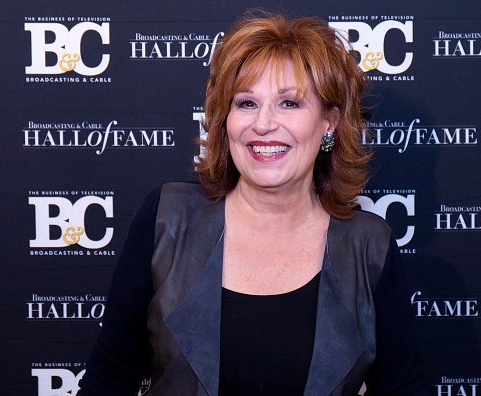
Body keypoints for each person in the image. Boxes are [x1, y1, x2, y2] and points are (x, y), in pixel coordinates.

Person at [78, 12, 425, 396]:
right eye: (246, 103)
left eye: (289, 104)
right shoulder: (167, 220)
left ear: (329, 122)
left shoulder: (369, 246)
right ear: (225, 119)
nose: (263, 124)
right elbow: (108, 379)